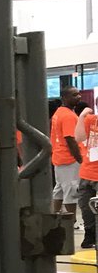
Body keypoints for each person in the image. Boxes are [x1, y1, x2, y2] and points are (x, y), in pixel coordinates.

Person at [50, 85, 84, 219]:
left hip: (59, 157)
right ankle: (71, 221)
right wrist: (79, 158)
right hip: (69, 159)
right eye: (74, 95)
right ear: (64, 98)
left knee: (59, 189)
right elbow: (70, 139)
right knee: (71, 190)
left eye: (79, 93)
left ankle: (54, 217)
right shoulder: (68, 116)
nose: (79, 97)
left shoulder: (59, 112)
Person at [75, 103, 97, 249]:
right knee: (85, 206)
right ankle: (89, 234)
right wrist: (82, 116)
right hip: (87, 172)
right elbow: (78, 137)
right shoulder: (91, 120)